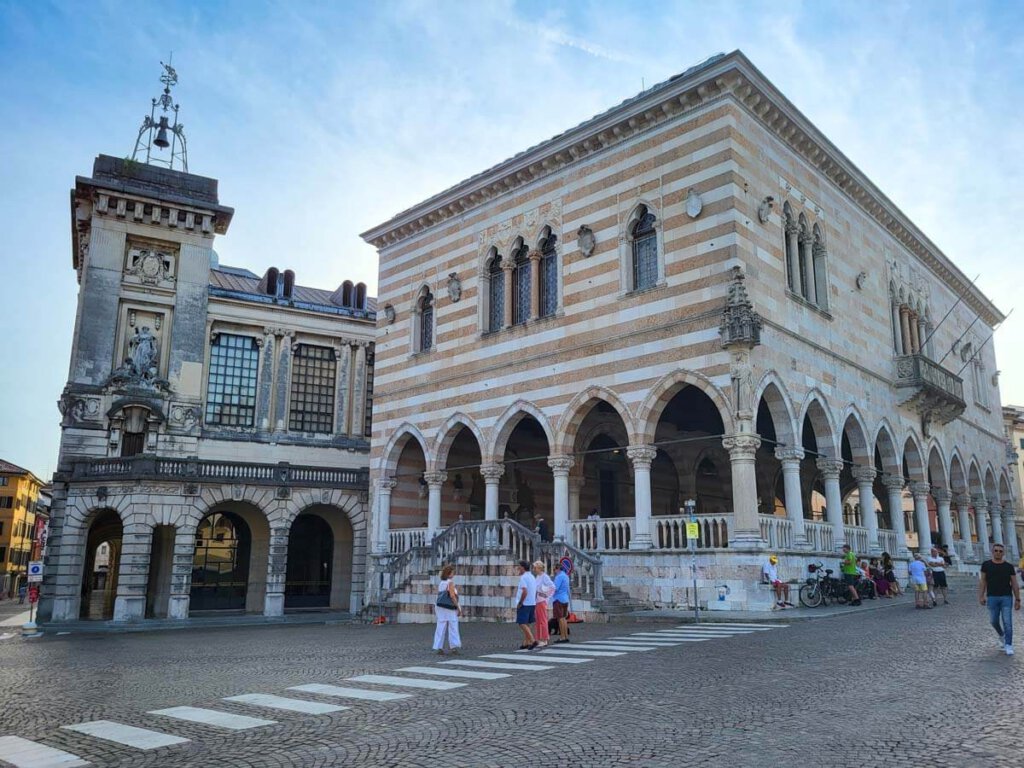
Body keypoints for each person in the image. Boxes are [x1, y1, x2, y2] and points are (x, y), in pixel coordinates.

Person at [979, 543, 1021, 656]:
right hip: (992, 596)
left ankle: (1008, 644)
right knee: (993, 620)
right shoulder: (986, 565)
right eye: (996, 550)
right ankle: (1002, 635)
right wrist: (981, 595)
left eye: (1000, 551)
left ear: (1003, 553)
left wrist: (1018, 599)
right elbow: (983, 581)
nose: (998, 553)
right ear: (993, 551)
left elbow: (1014, 583)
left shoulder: (1008, 566)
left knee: (1007, 622)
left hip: (1006, 597)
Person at [432, 564, 461, 655]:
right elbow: (452, 596)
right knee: (453, 626)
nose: (454, 574)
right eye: (453, 573)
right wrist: (458, 607)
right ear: (449, 574)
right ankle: (454, 646)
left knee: (440, 626)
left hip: (440, 607)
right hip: (449, 607)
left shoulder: (442, 583)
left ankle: (438, 646)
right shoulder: (450, 583)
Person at [514, 560, 538, 650]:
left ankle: (532, 640)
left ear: (523, 568)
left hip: (525, 603)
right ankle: (526, 642)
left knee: (522, 623)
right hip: (532, 602)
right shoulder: (532, 577)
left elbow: (524, 591)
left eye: (519, 567)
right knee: (527, 623)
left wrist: (520, 602)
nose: (518, 568)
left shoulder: (523, 578)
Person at [532, 561, 555, 647]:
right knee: (538, 620)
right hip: (537, 600)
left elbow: (552, 587)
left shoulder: (545, 577)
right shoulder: (538, 576)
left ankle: (545, 639)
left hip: (541, 600)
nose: (534, 569)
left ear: (539, 568)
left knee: (543, 620)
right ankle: (538, 638)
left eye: (535, 567)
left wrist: (546, 597)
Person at [551, 562, 571, 643]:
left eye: (554, 569)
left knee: (560, 618)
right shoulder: (566, 576)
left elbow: (555, 588)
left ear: (557, 569)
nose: (554, 571)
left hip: (558, 599)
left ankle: (562, 637)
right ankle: (565, 636)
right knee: (564, 618)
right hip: (565, 598)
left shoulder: (558, 577)